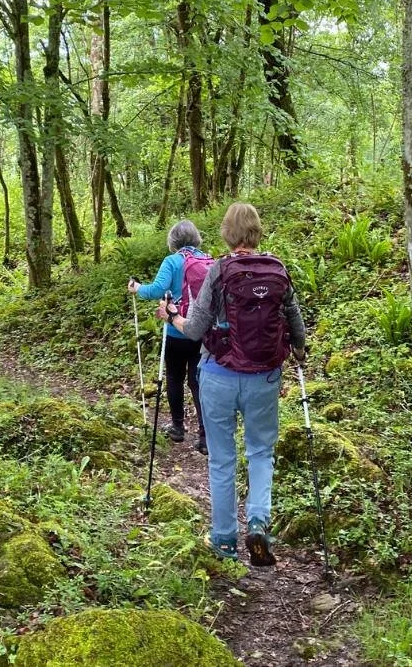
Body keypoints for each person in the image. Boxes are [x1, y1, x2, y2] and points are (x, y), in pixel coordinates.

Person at [158, 203, 306, 567]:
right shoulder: (278, 270)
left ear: (226, 233)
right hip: (265, 378)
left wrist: (172, 316)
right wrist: (299, 353)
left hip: (219, 375)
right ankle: (258, 521)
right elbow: (296, 324)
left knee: (223, 459)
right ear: (257, 233)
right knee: (260, 453)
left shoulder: (220, 271)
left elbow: (194, 329)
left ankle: (224, 539)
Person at [127, 220, 209, 454]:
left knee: (174, 378)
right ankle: (205, 437)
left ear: (173, 240)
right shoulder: (207, 260)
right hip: (200, 331)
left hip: (175, 329)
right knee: (197, 382)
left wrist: (137, 288)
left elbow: (156, 290)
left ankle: (177, 428)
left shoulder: (172, 261)